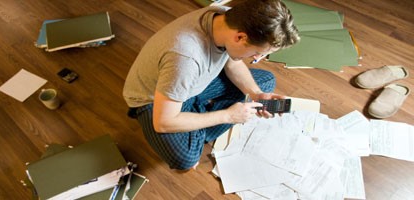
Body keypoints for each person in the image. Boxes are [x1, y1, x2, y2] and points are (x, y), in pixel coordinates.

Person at [123, 0, 300, 170]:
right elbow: (163, 122)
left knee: (265, 82)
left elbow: (231, 60)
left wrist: (256, 93)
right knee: (186, 158)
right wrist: (228, 116)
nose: (255, 59)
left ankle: (196, 118)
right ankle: (198, 117)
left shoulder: (225, 18)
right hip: (154, 101)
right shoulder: (185, 59)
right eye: (257, 53)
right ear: (240, 37)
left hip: (190, 83)